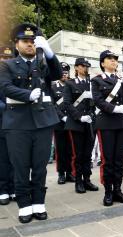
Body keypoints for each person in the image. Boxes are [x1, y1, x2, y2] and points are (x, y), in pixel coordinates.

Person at [0, 23, 62, 223]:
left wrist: (51, 55)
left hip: (42, 123)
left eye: (32, 41)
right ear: (16, 44)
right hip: (17, 124)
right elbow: (5, 87)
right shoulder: (7, 65)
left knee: (39, 167)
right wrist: (27, 95)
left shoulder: (43, 64)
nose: (29, 44)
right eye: (25, 41)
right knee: (20, 166)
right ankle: (25, 205)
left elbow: (58, 75)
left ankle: (38, 203)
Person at [91, 50, 123, 206]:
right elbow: (98, 101)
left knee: (119, 159)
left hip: (121, 123)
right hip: (106, 123)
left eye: (116, 59)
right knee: (107, 159)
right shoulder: (97, 81)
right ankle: (108, 191)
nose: (114, 61)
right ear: (103, 63)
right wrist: (114, 109)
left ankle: (118, 190)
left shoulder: (121, 79)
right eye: (110, 59)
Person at [64, 57, 99, 194]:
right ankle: (78, 181)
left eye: (87, 66)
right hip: (77, 124)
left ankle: (87, 179)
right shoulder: (70, 84)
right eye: (83, 66)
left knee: (87, 153)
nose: (86, 68)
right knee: (78, 154)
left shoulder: (92, 83)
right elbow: (67, 103)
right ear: (77, 68)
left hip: (90, 123)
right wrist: (79, 117)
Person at [51, 62, 74, 184]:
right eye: (62, 72)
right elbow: (53, 105)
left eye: (66, 72)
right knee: (60, 149)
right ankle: (61, 173)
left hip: (71, 121)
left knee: (70, 149)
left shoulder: (71, 86)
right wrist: (62, 117)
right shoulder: (53, 87)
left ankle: (70, 172)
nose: (64, 75)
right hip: (59, 123)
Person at [0, 46, 15, 206]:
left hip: (16, 123)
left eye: (8, 57)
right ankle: (3, 189)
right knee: (3, 159)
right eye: (2, 57)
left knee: (16, 158)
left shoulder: (16, 76)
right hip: (1, 122)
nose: (5, 60)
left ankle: (14, 187)